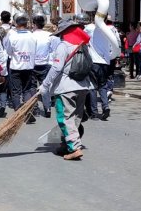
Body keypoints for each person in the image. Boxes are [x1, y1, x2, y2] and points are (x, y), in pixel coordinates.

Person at [38, 16, 93, 161]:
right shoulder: (83, 44)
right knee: (75, 117)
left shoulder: (63, 45)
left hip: (65, 88)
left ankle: (74, 148)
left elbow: (56, 68)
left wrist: (45, 85)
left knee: (65, 118)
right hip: (83, 86)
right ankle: (66, 145)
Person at [84, 13, 120, 120]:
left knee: (93, 87)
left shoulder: (90, 28)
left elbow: (81, 36)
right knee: (103, 86)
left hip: (94, 61)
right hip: (105, 62)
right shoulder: (110, 29)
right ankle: (105, 107)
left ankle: (94, 113)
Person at [3, 15, 37, 119]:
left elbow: (8, 52)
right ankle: (27, 111)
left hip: (16, 66)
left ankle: (18, 112)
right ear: (26, 24)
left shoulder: (12, 36)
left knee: (15, 91)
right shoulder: (32, 36)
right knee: (27, 90)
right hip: (29, 66)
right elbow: (34, 50)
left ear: (16, 24)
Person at [32, 14, 53, 118]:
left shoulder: (31, 35)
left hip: (32, 64)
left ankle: (34, 108)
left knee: (32, 87)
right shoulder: (49, 35)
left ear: (34, 24)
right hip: (45, 63)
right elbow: (52, 50)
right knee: (45, 86)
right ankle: (47, 107)